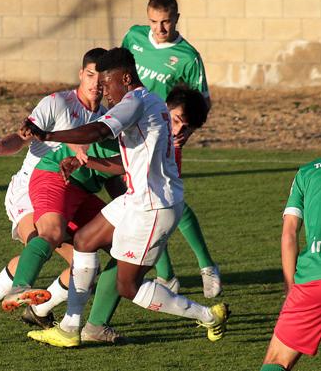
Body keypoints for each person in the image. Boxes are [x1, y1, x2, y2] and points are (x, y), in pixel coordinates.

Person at [23, 47, 228, 348]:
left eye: (108, 84)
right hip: (138, 198)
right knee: (85, 240)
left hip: (153, 207)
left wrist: (49, 135)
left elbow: (97, 130)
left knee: (127, 286)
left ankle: (208, 315)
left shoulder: (135, 101)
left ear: (127, 78)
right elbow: (129, 163)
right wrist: (85, 162)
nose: (105, 93)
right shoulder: (151, 102)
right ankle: (70, 327)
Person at [0, 48, 108, 344]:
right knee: (39, 238)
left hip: (69, 192)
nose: (95, 83)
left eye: (100, 77)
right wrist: (0, 148)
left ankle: (39, 309)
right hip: (30, 188)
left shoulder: (106, 117)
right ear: (81, 75)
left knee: (85, 266)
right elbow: (22, 137)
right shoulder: (57, 103)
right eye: (90, 75)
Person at [122, 0, 220, 298]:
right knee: (143, 201)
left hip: (164, 135)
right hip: (130, 134)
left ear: (176, 18)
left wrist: (185, 132)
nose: (159, 29)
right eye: (154, 21)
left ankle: (207, 267)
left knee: (167, 198)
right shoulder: (134, 37)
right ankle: (166, 275)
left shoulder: (188, 57)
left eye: (165, 22)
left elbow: (202, 101)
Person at [260, 158, 321, 371]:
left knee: (277, 360)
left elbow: (289, 234)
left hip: (314, 278)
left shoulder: (307, 173)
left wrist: (290, 287)